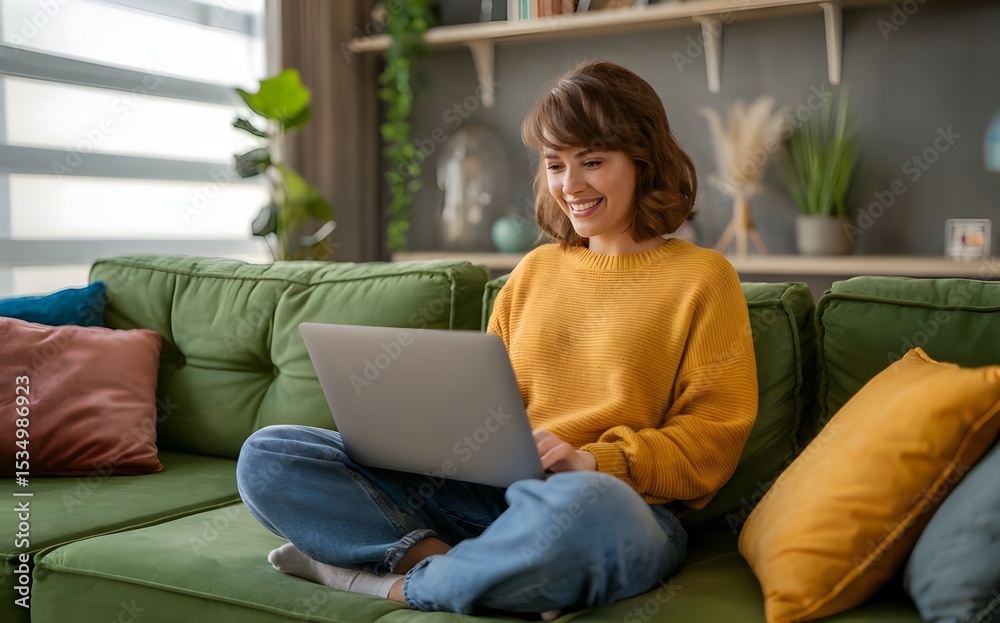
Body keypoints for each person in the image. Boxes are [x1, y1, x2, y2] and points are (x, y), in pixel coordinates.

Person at [236, 60, 758, 619]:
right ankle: (469, 569)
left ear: (643, 160)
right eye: (555, 164)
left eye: (592, 162)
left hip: (609, 506)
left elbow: (711, 441)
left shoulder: (703, 278)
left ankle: (384, 582)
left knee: (594, 510)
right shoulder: (533, 272)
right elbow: (487, 405)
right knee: (270, 456)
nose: (570, 186)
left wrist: (593, 461)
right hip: (485, 498)